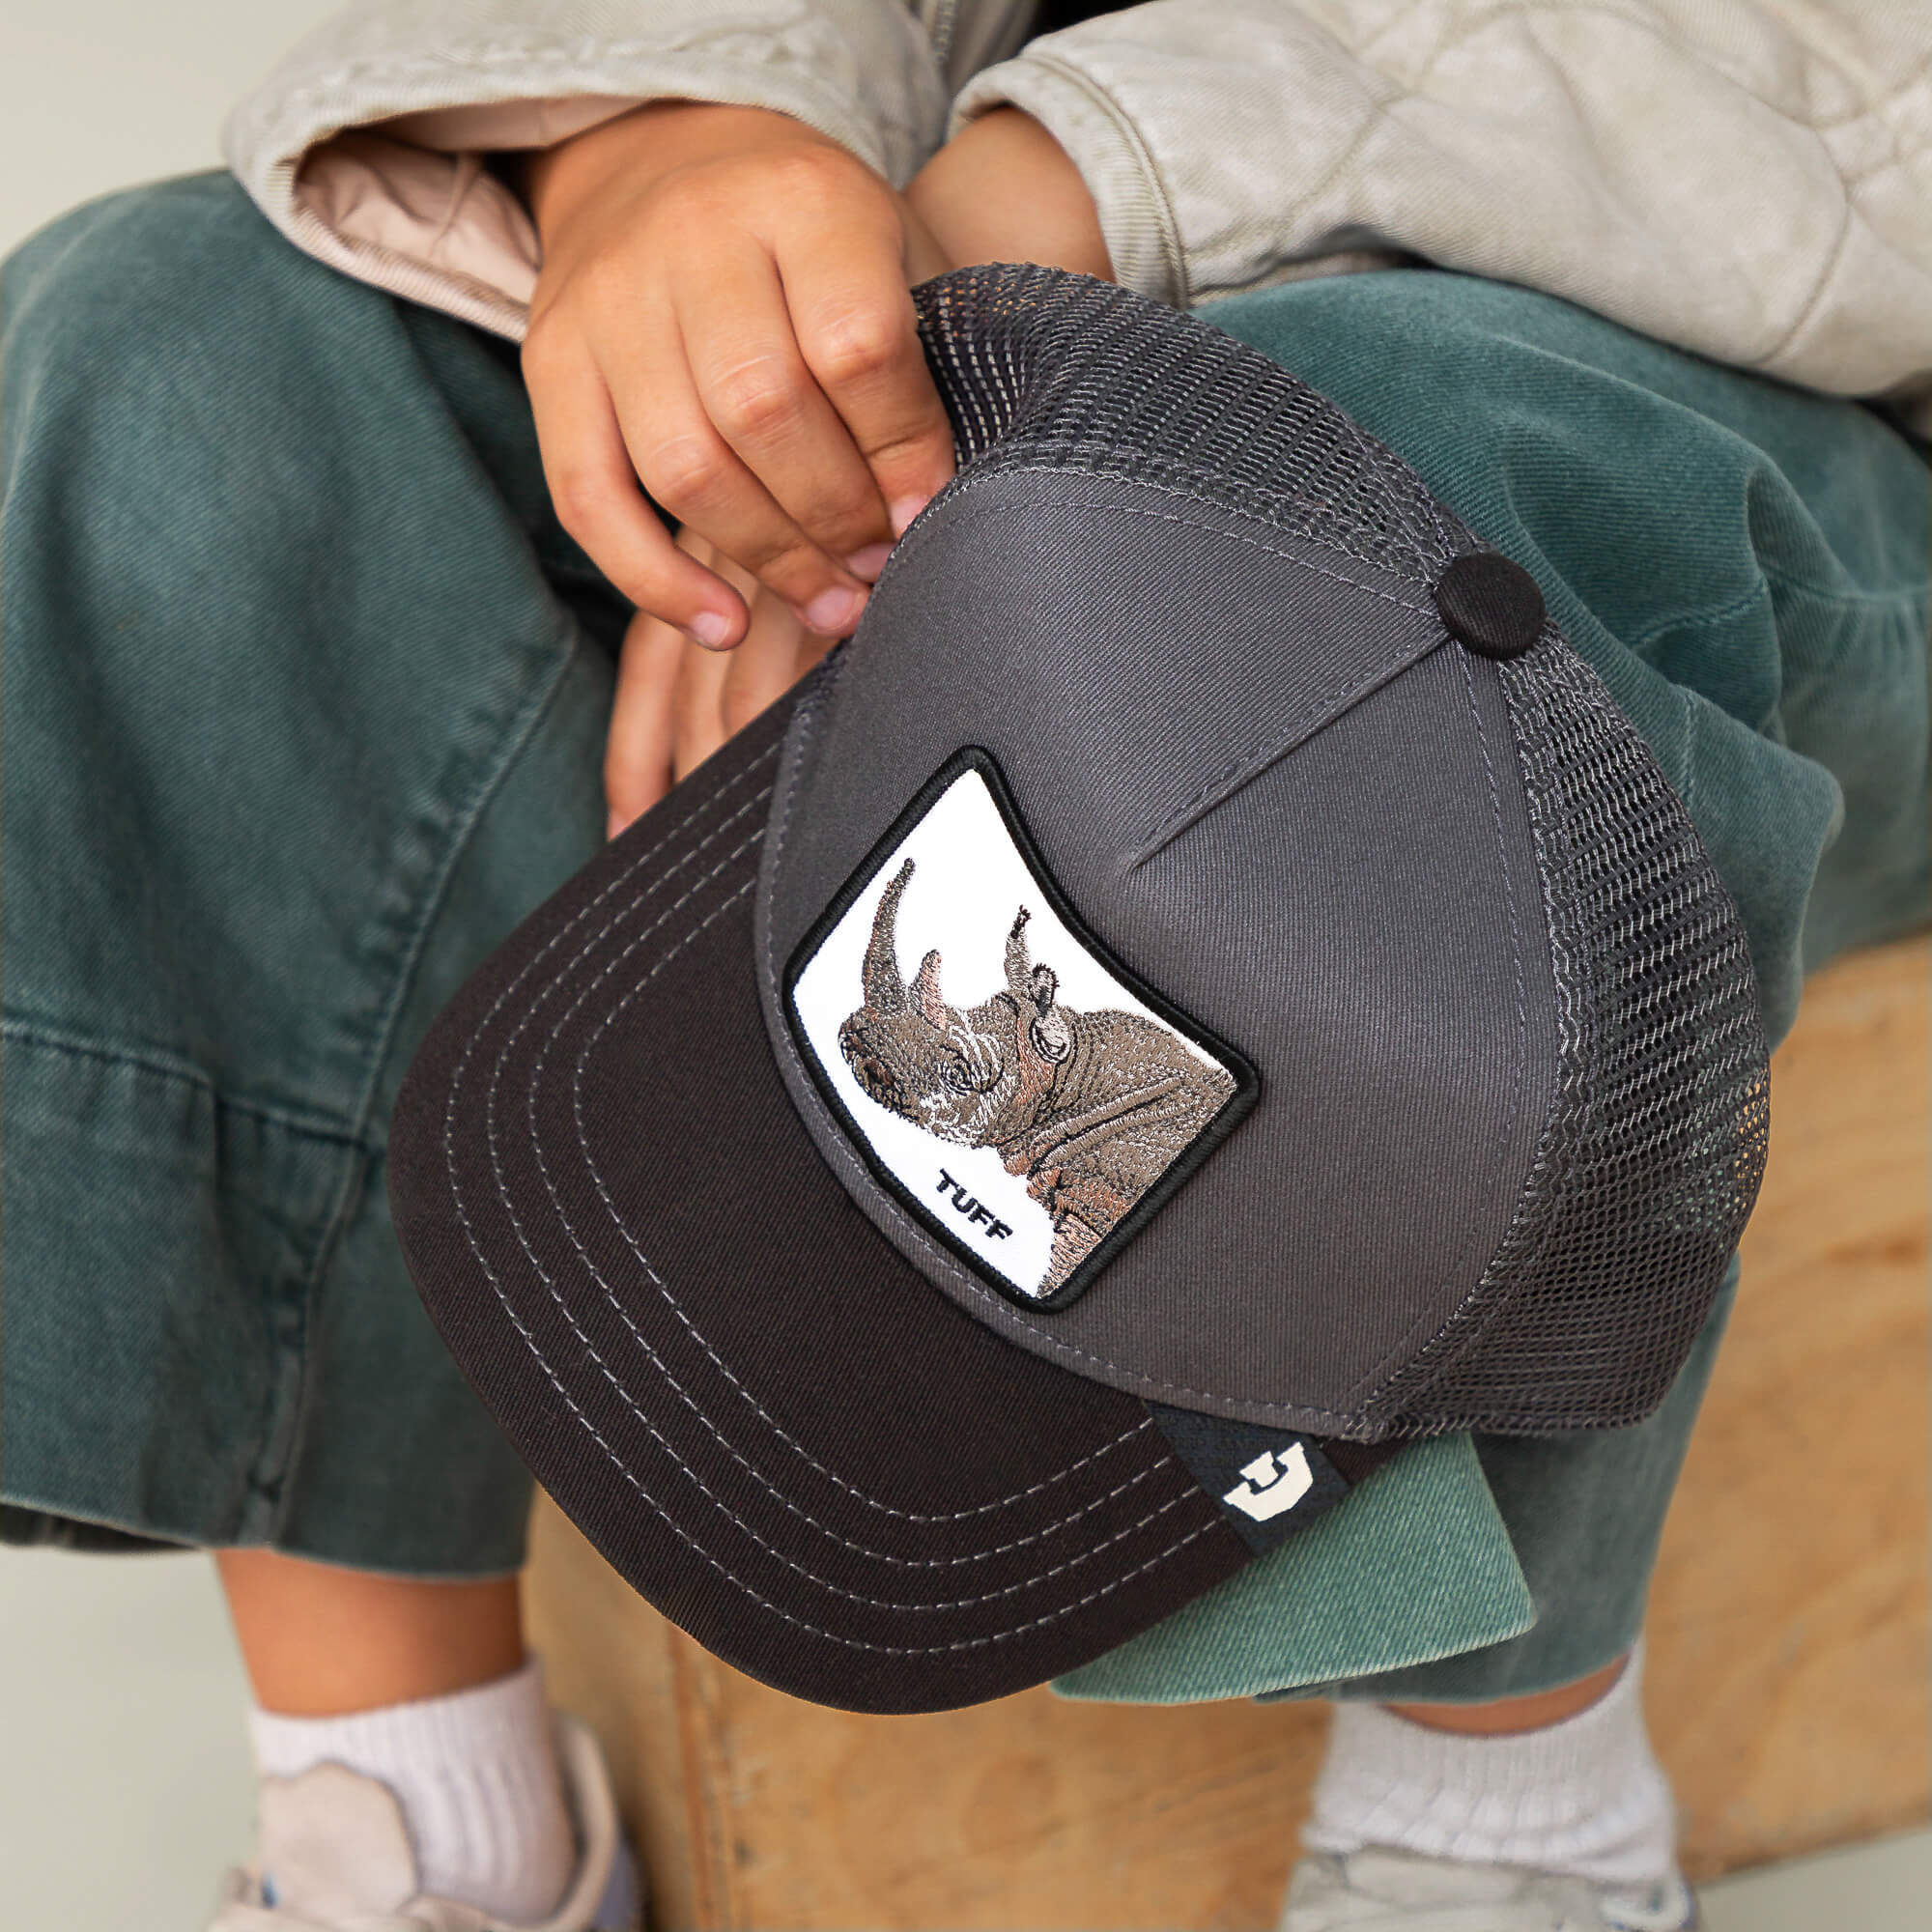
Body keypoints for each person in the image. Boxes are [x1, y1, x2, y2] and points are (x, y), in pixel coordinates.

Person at [2, 4, 1926, 1929]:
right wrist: (672, 141)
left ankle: (1500, 1831)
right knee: (184, 346)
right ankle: (411, 1819)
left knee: (1367, 515)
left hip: (1722, 377)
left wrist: (1038, 205)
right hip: (944, 308)